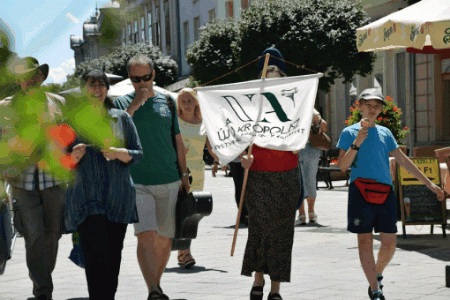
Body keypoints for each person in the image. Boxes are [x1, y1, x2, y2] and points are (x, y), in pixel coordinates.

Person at [336, 88, 444, 300]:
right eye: (368, 105)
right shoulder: (348, 132)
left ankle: (376, 274)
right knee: (365, 243)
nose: (373, 109)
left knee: (389, 243)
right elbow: (342, 166)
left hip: (385, 191)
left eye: (377, 106)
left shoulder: (385, 132)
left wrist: (429, 184)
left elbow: (403, 161)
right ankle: (375, 290)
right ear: (359, 106)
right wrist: (357, 142)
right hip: (360, 190)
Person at [114, 54, 190, 300]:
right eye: (136, 79)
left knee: (165, 238)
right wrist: (135, 104)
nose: (142, 83)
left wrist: (184, 174)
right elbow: (116, 134)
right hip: (137, 181)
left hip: (169, 178)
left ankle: (155, 283)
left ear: (154, 75)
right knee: (145, 234)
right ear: (130, 79)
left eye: (146, 77)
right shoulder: (121, 103)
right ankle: (154, 290)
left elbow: (177, 140)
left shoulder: (167, 101)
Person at [64, 69, 143, 299]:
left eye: (101, 85)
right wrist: (73, 158)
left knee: (113, 257)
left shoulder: (122, 118)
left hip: (117, 198)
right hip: (87, 199)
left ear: (107, 89)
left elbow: (137, 154)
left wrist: (119, 153)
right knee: (95, 258)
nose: (97, 90)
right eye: (91, 85)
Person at [0, 57, 66, 300]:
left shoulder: (58, 102)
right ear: (18, 80)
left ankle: (42, 279)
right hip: (22, 183)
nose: (30, 80)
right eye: (24, 76)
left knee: (53, 236)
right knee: (34, 236)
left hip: (53, 182)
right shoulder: (5, 106)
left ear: (41, 77)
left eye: (34, 75)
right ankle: (42, 290)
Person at [240, 47, 302, 300]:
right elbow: (239, 134)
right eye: (266, 71)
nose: (270, 74)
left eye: (274, 70)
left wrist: (317, 122)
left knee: (282, 232)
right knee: (259, 229)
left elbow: (312, 125)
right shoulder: (249, 100)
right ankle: (257, 280)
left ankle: (275, 288)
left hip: (287, 173)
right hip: (258, 174)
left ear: (282, 73)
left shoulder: (296, 98)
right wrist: (241, 156)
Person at [175, 88, 216, 268]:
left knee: (192, 212)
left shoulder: (203, 123)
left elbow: (213, 147)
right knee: (181, 211)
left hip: (198, 172)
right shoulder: (174, 122)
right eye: (183, 101)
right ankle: (185, 252)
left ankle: (183, 251)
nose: (186, 105)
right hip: (178, 172)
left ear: (196, 103)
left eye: (189, 101)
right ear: (178, 105)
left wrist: (227, 159)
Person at [295, 109, 328, 225]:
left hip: (298, 149)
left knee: (300, 183)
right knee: (311, 181)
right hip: (313, 150)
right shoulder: (313, 111)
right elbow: (324, 128)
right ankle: (311, 213)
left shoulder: (297, 107)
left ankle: (302, 215)